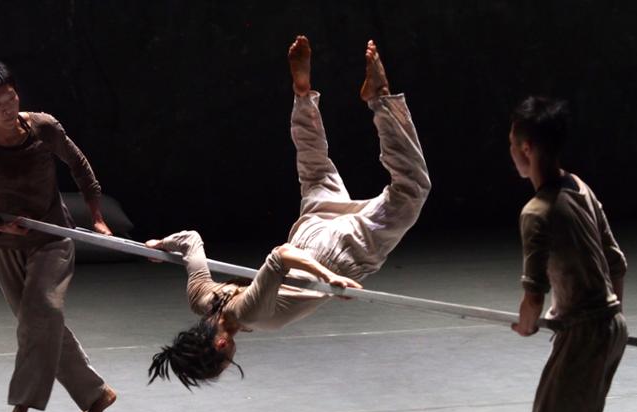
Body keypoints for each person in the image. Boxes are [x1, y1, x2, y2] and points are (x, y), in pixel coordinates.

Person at [146, 35, 430, 388]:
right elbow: (191, 240)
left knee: (411, 190)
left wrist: (329, 278)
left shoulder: (246, 313)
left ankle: (381, 98)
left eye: (224, 364)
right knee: (315, 172)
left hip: (333, 253)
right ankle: (303, 95)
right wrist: (161, 244)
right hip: (310, 229)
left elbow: (281, 257)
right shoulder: (202, 299)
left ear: (220, 346)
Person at [0, 61, 117, 412]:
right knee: (42, 323)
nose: (8, 109)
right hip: (5, 246)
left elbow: (79, 166)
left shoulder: (43, 127)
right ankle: (96, 394)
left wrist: (96, 217)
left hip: (52, 238)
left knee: (40, 314)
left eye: (11, 98)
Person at [509, 96, 637, 412]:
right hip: (610, 328)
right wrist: (608, 319)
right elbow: (616, 264)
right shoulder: (580, 187)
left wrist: (528, 324)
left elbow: (532, 299)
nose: (511, 152)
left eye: (512, 144)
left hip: (586, 337)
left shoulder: (536, 212)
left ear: (526, 148)